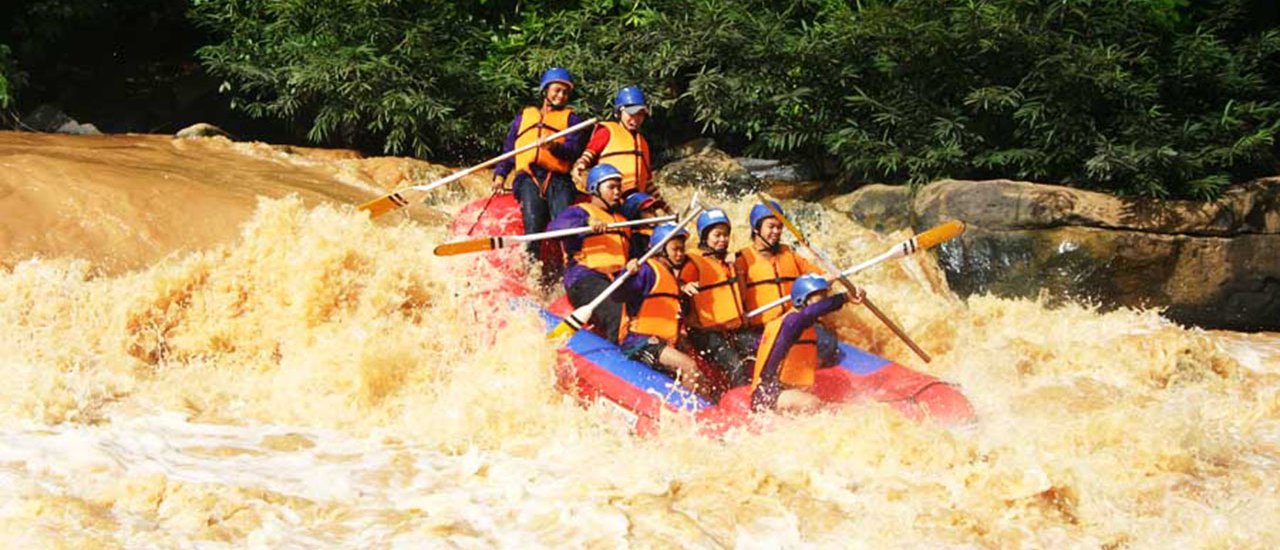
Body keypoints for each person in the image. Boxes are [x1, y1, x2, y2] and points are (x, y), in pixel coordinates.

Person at [491, 67, 590, 259]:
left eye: (565, 92)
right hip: (528, 178)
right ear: (545, 91)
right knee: (533, 223)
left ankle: (572, 266)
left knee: (564, 225)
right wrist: (500, 175)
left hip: (558, 179)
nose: (561, 95)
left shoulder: (573, 120)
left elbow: (572, 152)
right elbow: (511, 149)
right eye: (557, 90)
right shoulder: (523, 118)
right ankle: (532, 272)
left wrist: (553, 146)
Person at [734, 200, 842, 366]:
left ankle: (803, 369)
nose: (776, 231)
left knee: (827, 343)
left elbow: (818, 276)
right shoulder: (741, 260)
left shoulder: (788, 254)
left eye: (779, 227)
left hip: (793, 324)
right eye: (771, 226)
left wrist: (827, 278)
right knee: (750, 345)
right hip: (762, 330)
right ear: (757, 229)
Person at [614, 223, 714, 396]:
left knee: (703, 382)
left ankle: (704, 415)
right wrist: (627, 275)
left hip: (662, 345)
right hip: (639, 342)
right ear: (660, 250)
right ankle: (685, 416)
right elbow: (617, 296)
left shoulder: (673, 279)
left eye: (682, 249)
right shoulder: (646, 270)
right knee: (688, 366)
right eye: (675, 249)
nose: (680, 254)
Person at [751, 274, 864, 411]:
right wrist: (844, 297)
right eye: (820, 298)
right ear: (802, 300)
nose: (824, 302)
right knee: (813, 404)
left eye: (825, 296)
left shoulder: (791, 324)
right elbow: (811, 312)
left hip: (779, 392)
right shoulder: (792, 322)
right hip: (768, 395)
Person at [545, 165, 631, 342]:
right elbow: (554, 229)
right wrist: (585, 223)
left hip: (617, 280)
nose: (617, 192)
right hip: (585, 278)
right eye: (611, 187)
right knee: (618, 311)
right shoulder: (580, 211)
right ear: (594, 189)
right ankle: (618, 358)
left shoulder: (623, 221)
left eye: (619, 187)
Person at [679, 208, 757, 386]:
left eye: (725, 235)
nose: (722, 240)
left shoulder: (727, 263)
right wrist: (683, 286)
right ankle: (742, 408)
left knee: (761, 353)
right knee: (735, 366)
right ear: (705, 237)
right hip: (705, 333)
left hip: (732, 328)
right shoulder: (694, 264)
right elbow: (676, 285)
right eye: (717, 235)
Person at [572, 85, 656, 201]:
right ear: (619, 112)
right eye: (631, 114)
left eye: (640, 114)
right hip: (611, 193)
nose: (635, 119)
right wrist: (581, 164)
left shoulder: (643, 143)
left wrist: (663, 207)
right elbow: (589, 153)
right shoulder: (607, 131)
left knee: (648, 207)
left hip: (635, 197)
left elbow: (648, 182)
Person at [619, 191, 663, 258]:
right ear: (635, 215)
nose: (653, 214)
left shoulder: (662, 231)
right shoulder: (636, 240)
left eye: (653, 209)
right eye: (647, 210)